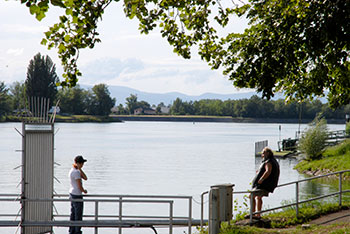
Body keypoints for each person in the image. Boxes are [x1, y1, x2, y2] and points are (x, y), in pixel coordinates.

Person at [250, 147, 280, 218]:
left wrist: (261, 179)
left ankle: (253, 214)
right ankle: (257, 214)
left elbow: (268, 171)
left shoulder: (268, 161)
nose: (262, 154)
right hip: (267, 184)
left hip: (264, 185)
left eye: (263, 153)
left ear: (268, 153)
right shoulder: (273, 160)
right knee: (258, 197)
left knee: (251, 196)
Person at [69, 155, 88, 234]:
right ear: (78, 163)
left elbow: (85, 178)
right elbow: (79, 185)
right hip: (77, 195)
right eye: (82, 163)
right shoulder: (76, 172)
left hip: (72, 194)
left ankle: (72, 230)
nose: (83, 165)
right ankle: (77, 231)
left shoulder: (73, 170)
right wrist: (84, 191)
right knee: (78, 215)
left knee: (73, 214)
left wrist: (79, 169)